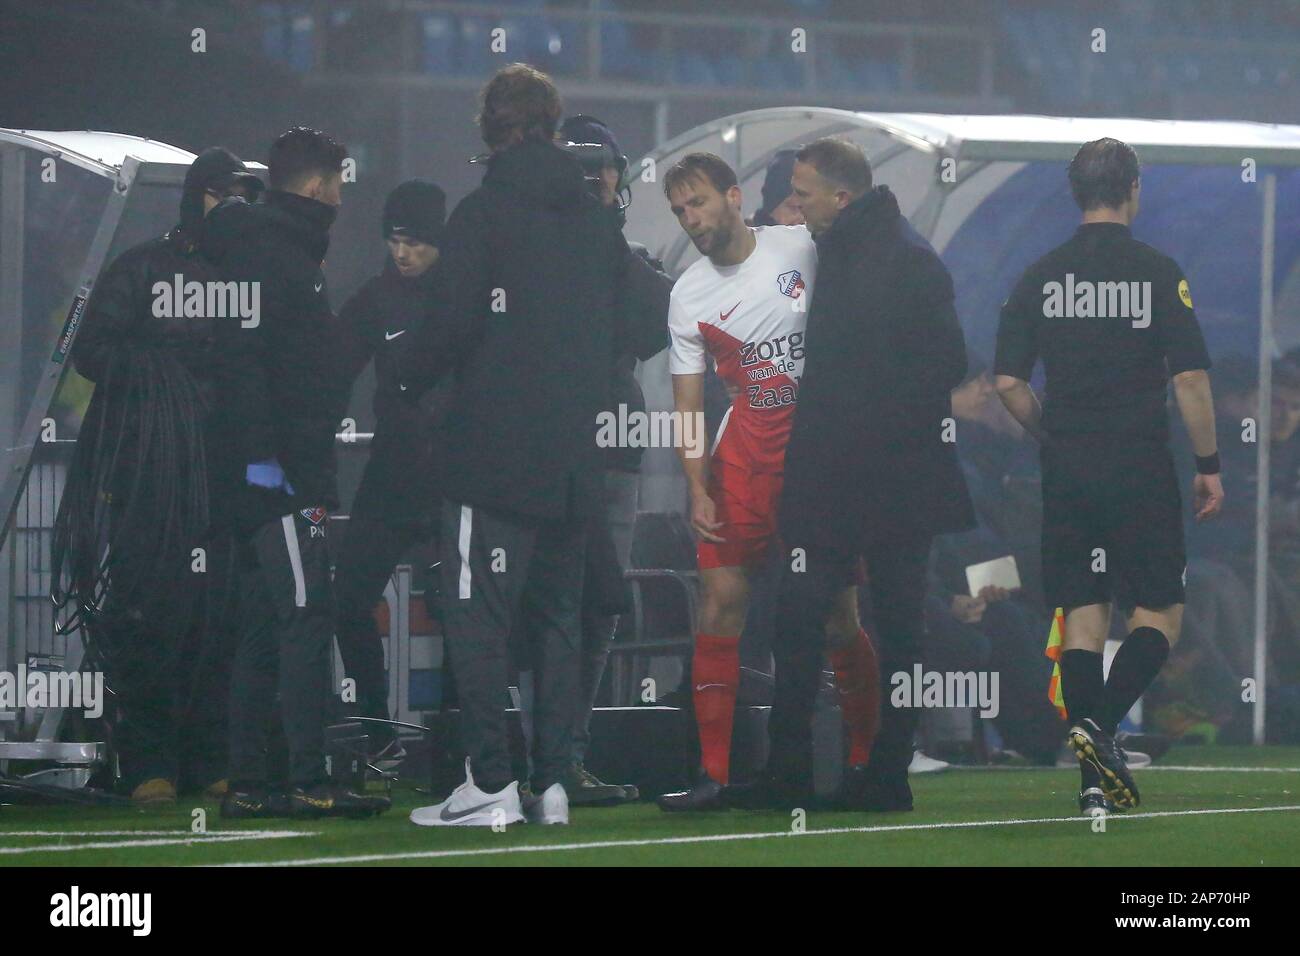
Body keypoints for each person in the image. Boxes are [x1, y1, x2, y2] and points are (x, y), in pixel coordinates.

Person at [402, 64, 636, 827]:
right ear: (552, 123)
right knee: (559, 622)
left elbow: (450, 328)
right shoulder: (598, 220)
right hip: (574, 460)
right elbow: (643, 316)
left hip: (491, 459)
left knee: (477, 620)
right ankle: (554, 785)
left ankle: (490, 784)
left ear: (490, 130)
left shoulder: (483, 211)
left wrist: (405, 372)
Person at [993, 137, 1224, 816]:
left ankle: (1092, 784)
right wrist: (1209, 464)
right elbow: (1188, 377)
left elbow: (1006, 381)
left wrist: (1050, 430)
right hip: (1139, 466)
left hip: (1066, 470)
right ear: (1133, 189)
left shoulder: (1038, 275)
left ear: (1076, 193)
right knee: (1159, 613)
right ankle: (1100, 727)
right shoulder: (1157, 272)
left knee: (1083, 618)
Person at [760, 138, 974, 813]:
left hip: (889, 477)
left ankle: (886, 773)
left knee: (898, 625)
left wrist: (865, 412)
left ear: (841, 196)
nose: (795, 207)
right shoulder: (830, 250)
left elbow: (946, 363)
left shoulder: (909, 260)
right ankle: (795, 769)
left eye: (804, 194)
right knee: (803, 615)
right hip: (837, 474)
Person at [656, 151, 863, 812]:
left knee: (838, 617)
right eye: (680, 212)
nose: (692, 220)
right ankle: (713, 774)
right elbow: (687, 408)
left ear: (734, 197)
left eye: (699, 203)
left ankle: (867, 761)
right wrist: (696, 486)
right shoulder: (687, 294)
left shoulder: (802, 246)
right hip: (740, 465)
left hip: (818, 463)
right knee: (720, 604)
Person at [59, 148, 262, 805]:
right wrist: (160, 374)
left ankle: (208, 760)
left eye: (242, 197)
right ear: (198, 196)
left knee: (219, 620)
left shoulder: (251, 271)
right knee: (153, 619)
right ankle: (149, 761)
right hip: (152, 483)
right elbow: (88, 350)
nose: (234, 208)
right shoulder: (142, 268)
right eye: (223, 195)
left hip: (224, 480)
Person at [202, 127, 390, 819]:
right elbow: (246, 364)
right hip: (283, 476)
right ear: (316, 185)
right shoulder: (273, 253)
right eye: (339, 180)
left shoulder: (271, 248)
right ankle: (308, 778)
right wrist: (269, 465)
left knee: (264, 623)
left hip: (273, 470)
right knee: (308, 612)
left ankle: (251, 784)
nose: (343, 193)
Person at [514, 115, 671, 806]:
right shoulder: (535, 246)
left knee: (601, 609)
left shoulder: (624, 254)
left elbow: (652, 326)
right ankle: (534, 758)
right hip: (550, 450)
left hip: (616, 452)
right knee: (545, 603)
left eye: (602, 165)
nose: (592, 175)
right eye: (579, 165)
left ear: (621, 174)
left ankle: (565, 756)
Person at [333, 179, 448, 771]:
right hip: (394, 473)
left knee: (468, 611)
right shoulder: (375, 298)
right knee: (346, 597)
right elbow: (328, 368)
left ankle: (459, 744)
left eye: (416, 243)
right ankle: (379, 735)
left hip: (455, 476)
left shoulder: (466, 293)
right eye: (395, 240)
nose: (403, 253)